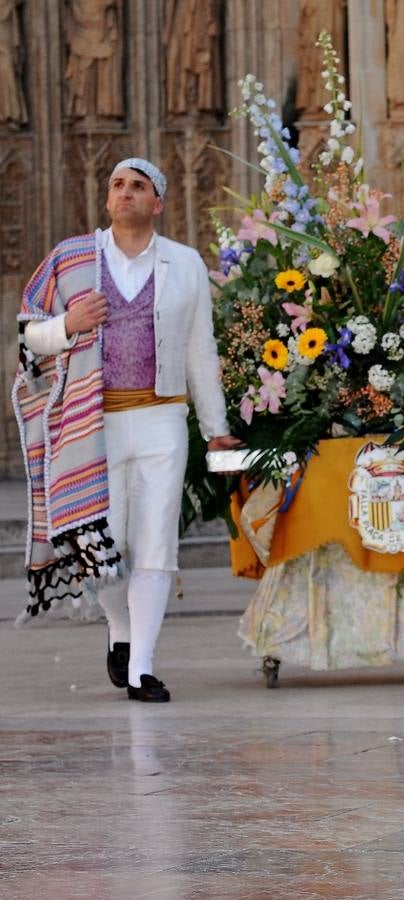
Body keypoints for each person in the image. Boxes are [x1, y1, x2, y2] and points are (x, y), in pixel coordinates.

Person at [14, 158, 240, 702]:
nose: (125, 193)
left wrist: (215, 427)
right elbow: (28, 334)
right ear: (108, 198)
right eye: (117, 185)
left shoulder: (184, 264)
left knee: (158, 541)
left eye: (138, 187)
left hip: (162, 416)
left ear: (157, 202)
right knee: (102, 542)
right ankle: (120, 631)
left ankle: (141, 666)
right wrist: (68, 325)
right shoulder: (72, 261)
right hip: (93, 421)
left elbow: (199, 351)